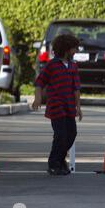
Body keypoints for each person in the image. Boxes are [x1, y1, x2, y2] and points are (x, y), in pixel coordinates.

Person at [32, 34, 83, 176]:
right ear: (65, 49)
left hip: (69, 106)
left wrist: (78, 107)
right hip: (56, 106)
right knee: (60, 135)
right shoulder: (52, 65)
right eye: (74, 49)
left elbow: (76, 88)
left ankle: (60, 160)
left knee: (71, 134)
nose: (76, 51)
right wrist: (38, 99)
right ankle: (54, 164)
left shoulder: (73, 66)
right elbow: (39, 82)